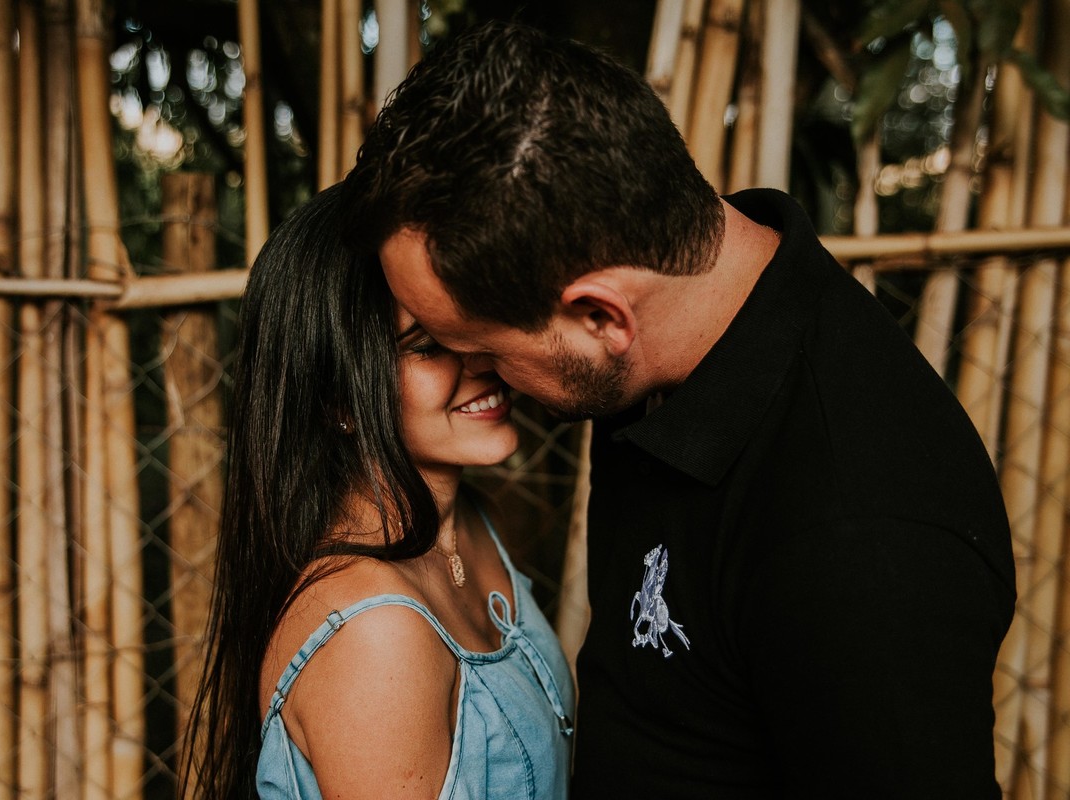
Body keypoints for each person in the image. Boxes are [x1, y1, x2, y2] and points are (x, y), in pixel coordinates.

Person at [342, 20, 1016, 799]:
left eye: (485, 348)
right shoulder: (663, 354)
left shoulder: (860, 539)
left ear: (600, 318)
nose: (483, 377)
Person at [183, 185, 574, 800]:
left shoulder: (467, 523)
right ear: (341, 399)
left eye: (471, 324)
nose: (479, 359)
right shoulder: (374, 634)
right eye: (427, 344)